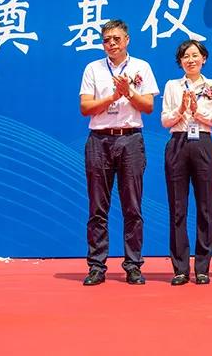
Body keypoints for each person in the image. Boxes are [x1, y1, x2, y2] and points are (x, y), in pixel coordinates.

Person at [79, 19, 159, 286]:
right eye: (106, 40)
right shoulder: (93, 68)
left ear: (127, 40)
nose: (111, 44)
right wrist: (113, 97)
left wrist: (129, 92)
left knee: (132, 207)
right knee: (97, 207)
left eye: (116, 39)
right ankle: (96, 266)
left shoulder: (141, 67)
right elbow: (85, 108)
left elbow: (148, 106)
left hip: (130, 140)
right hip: (99, 140)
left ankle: (133, 265)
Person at [161, 40, 212, 286]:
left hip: (203, 143)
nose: (191, 60)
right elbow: (165, 120)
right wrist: (180, 111)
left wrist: (197, 112)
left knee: (206, 207)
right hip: (177, 143)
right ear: (180, 61)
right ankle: (180, 269)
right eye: (185, 56)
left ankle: (203, 268)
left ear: (203, 59)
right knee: (178, 208)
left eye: (195, 55)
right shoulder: (172, 85)